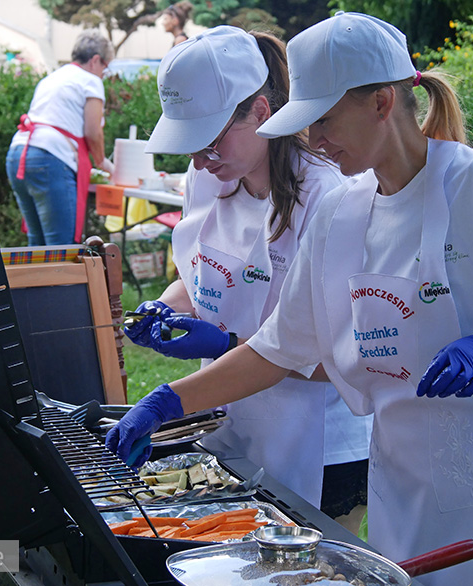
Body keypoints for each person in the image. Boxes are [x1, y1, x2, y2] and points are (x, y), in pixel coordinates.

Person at [108, 12, 473, 585]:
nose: (314, 140)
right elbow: (275, 351)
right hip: (394, 474)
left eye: (323, 120)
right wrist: (169, 400)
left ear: (382, 102)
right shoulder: (341, 214)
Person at [123, 25, 373, 523]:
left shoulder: (330, 197)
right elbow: (197, 279)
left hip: (322, 446)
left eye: (211, 142)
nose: (198, 160)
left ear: (262, 111)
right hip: (232, 420)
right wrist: (166, 308)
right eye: (189, 145)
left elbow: (355, 360)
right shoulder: (209, 177)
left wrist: (227, 343)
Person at [6, 29, 115, 246]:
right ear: (95, 60)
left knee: (36, 244)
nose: (104, 73)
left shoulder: (53, 77)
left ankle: (32, 281)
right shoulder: (90, 81)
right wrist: (102, 161)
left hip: (18, 153)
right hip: (49, 158)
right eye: (105, 66)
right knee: (61, 248)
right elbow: (93, 132)